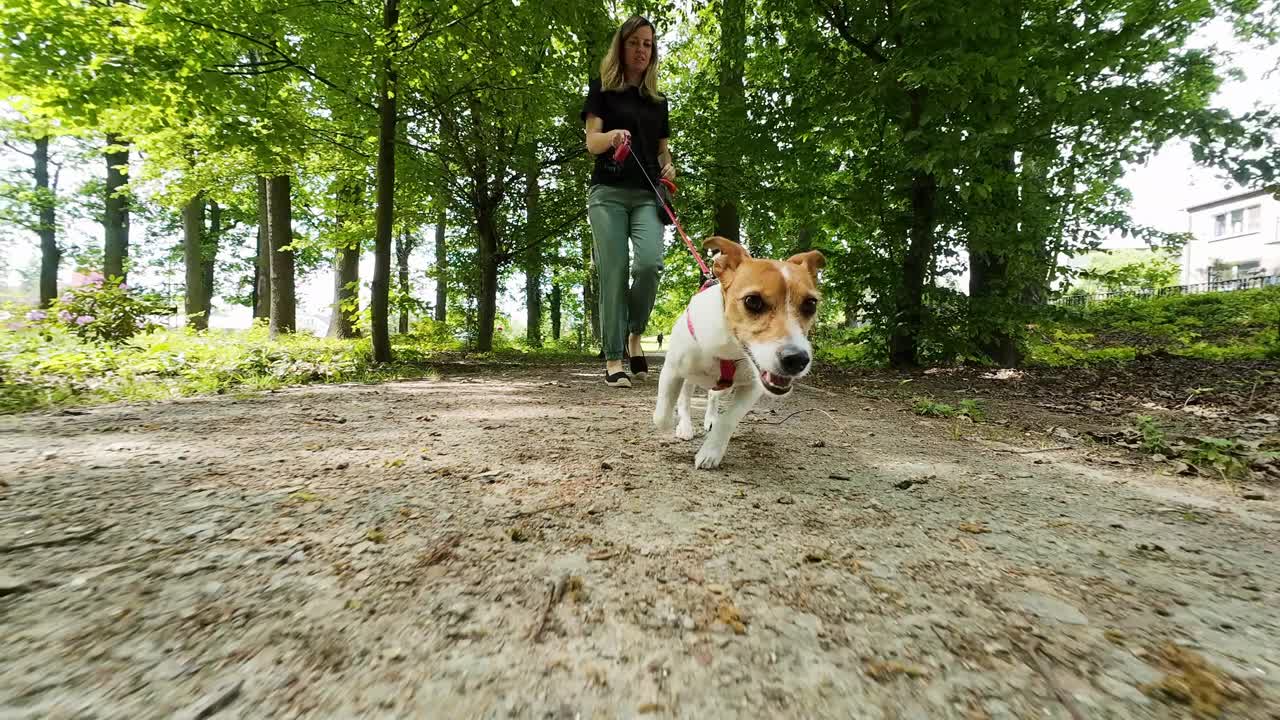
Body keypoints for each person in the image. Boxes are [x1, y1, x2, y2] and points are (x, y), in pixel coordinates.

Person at [581, 15, 675, 388]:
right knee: (615, 271)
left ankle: (635, 335)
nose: (641, 50)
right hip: (607, 193)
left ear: (653, 52)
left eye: (647, 44)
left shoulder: (658, 101)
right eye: (634, 42)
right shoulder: (601, 90)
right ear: (621, 46)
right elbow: (592, 143)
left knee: (650, 265)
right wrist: (613, 135)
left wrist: (670, 170)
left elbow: (664, 152)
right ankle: (613, 358)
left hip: (648, 194)